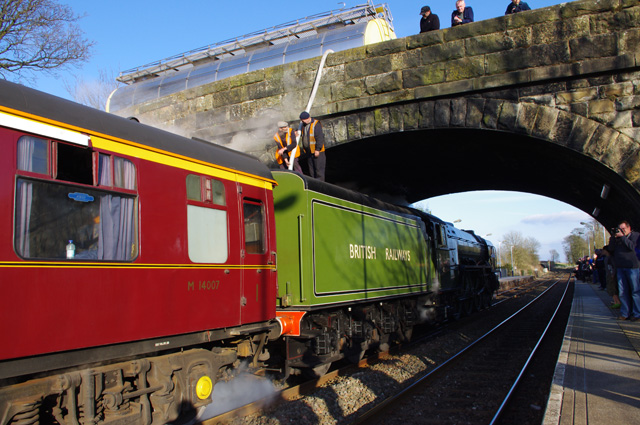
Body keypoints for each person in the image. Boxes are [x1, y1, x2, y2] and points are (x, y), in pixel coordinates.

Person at [605, 221, 640, 321]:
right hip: (620, 268)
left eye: (623, 229)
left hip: (633, 267)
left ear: (629, 228)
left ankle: (637, 314)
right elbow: (611, 249)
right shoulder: (617, 239)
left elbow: (632, 247)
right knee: (622, 292)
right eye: (620, 229)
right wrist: (612, 237)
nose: (621, 231)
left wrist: (623, 237)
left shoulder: (636, 236)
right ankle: (625, 313)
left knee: (635, 291)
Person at [296, 111, 326, 181]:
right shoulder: (304, 125)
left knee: (319, 170)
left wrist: (317, 149)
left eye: (303, 120)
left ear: (308, 118)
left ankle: (320, 186)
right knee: (312, 170)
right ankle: (314, 184)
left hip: (317, 151)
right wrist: (296, 131)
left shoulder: (316, 124)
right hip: (309, 152)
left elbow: (320, 138)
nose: (302, 122)